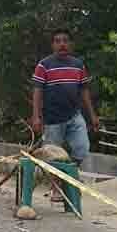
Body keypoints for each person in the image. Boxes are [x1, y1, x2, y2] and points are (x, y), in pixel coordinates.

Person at [31, 29, 100, 200]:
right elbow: (37, 91)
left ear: (70, 44)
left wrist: (92, 115)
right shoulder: (44, 65)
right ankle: (56, 189)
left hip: (74, 115)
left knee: (82, 148)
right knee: (54, 156)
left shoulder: (78, 65)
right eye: (57, 41)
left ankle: (64, 179)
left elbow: (84, 91)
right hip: (52, 118)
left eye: (65, 40)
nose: (62, 44)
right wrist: (36, 116)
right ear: (53, 44)